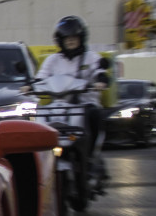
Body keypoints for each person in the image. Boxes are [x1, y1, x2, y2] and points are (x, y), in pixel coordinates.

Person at [35, 15, 109, 162]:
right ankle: (42, 157)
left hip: (85, 104)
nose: (70, 40)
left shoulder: (91, 57)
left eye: (74, 37)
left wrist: (101, 81)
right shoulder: (52, 60)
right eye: (66, 37)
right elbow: (40, 77)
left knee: (94, 115)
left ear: (81, 38)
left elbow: (100, 72)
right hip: (59, 105)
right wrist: (29, 86)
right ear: (60, 40)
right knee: (38, 114)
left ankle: (91, 156)